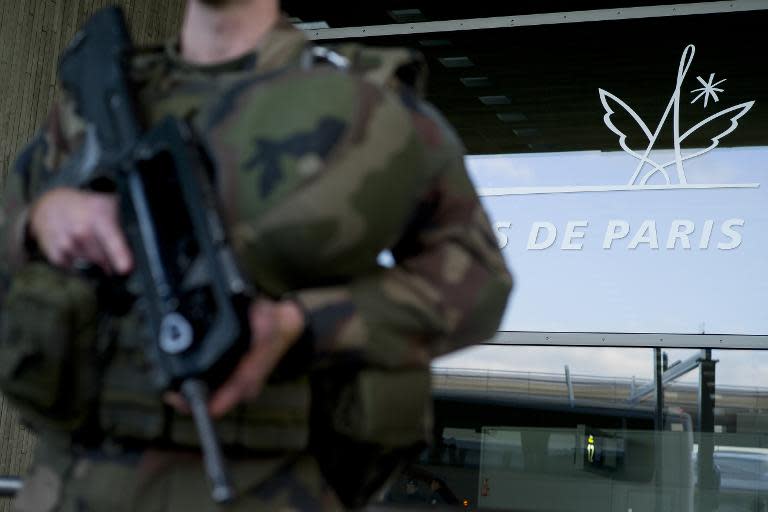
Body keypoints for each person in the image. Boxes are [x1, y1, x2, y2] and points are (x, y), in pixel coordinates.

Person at [0, 0, 512, 510]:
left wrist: (303, 323)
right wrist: (39, 221)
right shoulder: (93, 105)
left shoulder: (368, 105)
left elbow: (478, 279)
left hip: (263, 487)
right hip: (66, 485)